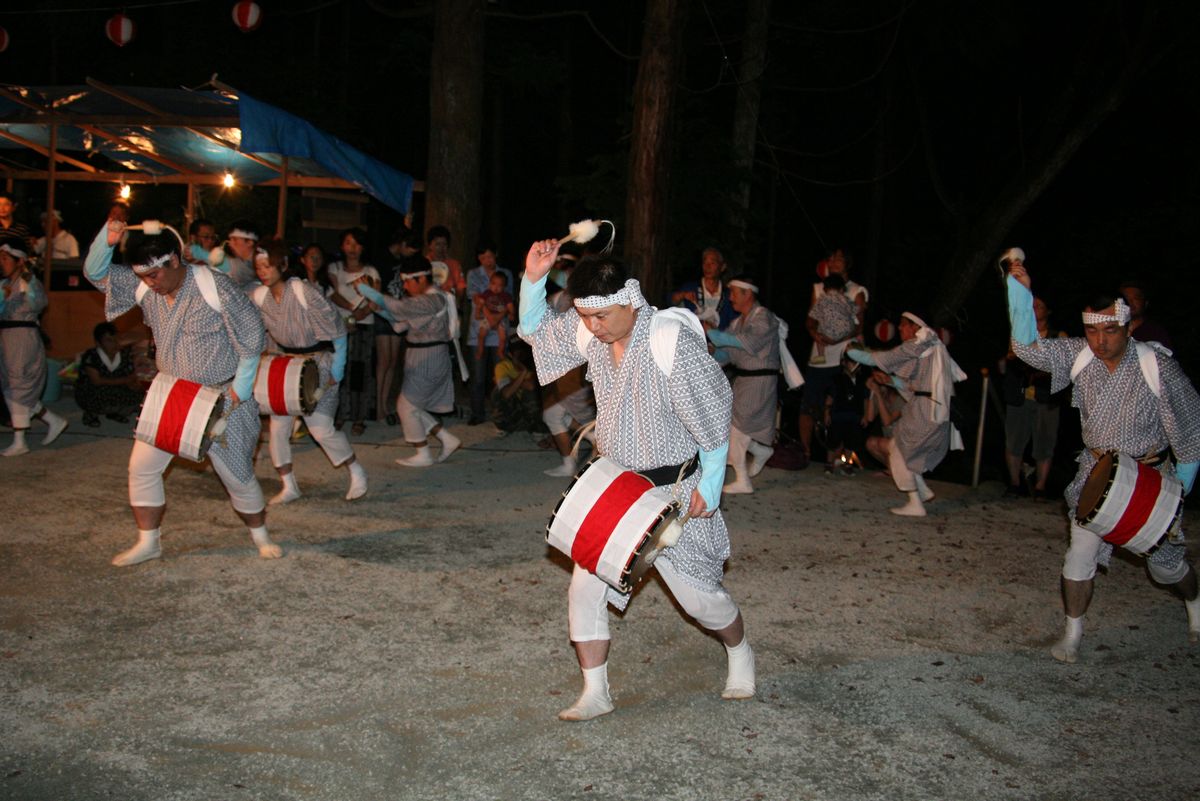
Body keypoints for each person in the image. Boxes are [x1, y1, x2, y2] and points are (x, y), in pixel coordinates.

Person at [519, 237, 755, 721]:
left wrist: (709, 488)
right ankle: (595, 692)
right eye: (584, 317)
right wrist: (534, 277)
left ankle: (740, 649)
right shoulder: (592, 330)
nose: (591, 327)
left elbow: (712, 418)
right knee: (584, 587)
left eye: (600, 317)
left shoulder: (671, 340)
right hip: (619, 487)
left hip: (673, 490)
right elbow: (535, 332)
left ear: (629, 298)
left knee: (700, 601)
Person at [1006, 260, 1200, 661]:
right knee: (1079, 554)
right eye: (1092, 330)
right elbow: (1026, 348)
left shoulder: (1156, 365)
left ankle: (1195, 604)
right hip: (1095, 473)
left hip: (1149, 475)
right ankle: (1073, 635)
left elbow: (1190, 431)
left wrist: (1178, 492)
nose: (1099, 340)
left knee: (1165, 567)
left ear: (1129, 328)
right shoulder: (1079, 355)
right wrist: (1020, 293)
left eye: (1110, 330)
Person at [83, 218, 282, 566]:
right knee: (142, 468)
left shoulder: (215, 286)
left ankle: (260, 534)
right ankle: (149, 542)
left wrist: (241, 389)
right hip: (172, 391)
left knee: (237, 477)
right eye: (143, 277)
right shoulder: (147, 285)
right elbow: (95, 274)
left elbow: (251, 336)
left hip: (222, 394)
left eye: (154, 275)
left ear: (174, 259)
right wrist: (107, 238)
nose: (149, 283)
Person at [250, 241, 368, 505]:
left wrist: (337, 368)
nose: (263, 272)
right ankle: (289, 485)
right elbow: (255, 329)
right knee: (279, 427)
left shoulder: (302, 290)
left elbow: (337, 328)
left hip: (319, 362)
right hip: (286, 365)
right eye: (258, 267)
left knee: (320, 428)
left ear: (282, 265)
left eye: (268, 266)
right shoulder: (259, 296)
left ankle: (355, 470)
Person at [847, 311, 966, 516]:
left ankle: (915, 503)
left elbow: (883, 358)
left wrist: (852, 351)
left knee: (899, 451)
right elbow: (917, 384)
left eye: (903, 325)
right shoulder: (931, 347)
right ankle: (921, 490)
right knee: (901, 447)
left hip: (926, 411)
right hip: (934, 409)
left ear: (914, 327)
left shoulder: (918, 345)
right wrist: (891, 381)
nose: (900, 329)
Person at [357, 256, 462, 467]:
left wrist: (367, 290)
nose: (404, 286)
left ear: (422, 279)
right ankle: (446, 438)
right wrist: (379, 309)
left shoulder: (434, 299)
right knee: (415, 407)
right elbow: (399, 324)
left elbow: (400, 308)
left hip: (429, 359)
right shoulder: (427, 301)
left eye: (407, 281)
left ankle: (422, 452)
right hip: (421, 358)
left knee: (405, 406)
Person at [705, 276, 791, 494]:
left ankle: (743, 480)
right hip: (745, 380)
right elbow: (729, 354)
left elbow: (748, 343)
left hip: (760, 380)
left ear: (748, 294)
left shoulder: (764, 318)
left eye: (734, 292)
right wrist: (712, 352)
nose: (730, 296)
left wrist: (711, 333)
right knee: (738, 425)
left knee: (736, 428)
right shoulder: (737, 323)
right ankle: (761, 450)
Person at [1, 238, 69, 456]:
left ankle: (20, 441)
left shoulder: (28, 282)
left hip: (24, 337)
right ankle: (53, 420)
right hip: (7, 338)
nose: (1, 262)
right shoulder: (3, 284)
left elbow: (39, 304)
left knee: (20, 382)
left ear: (19, 261)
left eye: (5, 258)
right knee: (11, 384)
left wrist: (27, 285)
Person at [798, 248, 867, 463]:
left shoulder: (857, 291)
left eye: (838, 258)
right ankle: (805, 452)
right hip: (819, 356)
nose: (833, 262)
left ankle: (838, 456)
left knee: (840, 405)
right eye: (831, 258)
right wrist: (814, 333)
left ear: (847, 262)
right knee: (809, 404)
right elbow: (810, 318)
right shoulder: (819, 288)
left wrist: (838, 339)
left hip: (843, 356)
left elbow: (859, 325)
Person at [1001, 289, 1065, 499]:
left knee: (1045, 443)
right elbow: (1010, 361)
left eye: (1039, 306)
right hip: (1020, 396)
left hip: (1046, 399)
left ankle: (1040, 486)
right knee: (1014, 441)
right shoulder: (1019, 333)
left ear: (1048, 311)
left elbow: (1064, 366)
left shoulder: (1058, 337)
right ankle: (1014, 483)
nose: (1034, 309)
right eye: (1032, 306)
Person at [325, 228, 380, 435]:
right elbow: (331, 292)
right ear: (342, 246)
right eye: (348, 243)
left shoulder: (371, 271)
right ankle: (339, 414)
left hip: (365, 324)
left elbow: (376, 296)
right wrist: (351, 310)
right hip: (340, 325)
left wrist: (362, 313)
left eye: (357, 244)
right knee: (340, 370)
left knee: (362, 371)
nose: (352, 248)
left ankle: (360, 416)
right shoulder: (334, 268)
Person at [466, 241, 513, 425]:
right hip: (479, 329)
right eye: (483, 257)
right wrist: (490, 318)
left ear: (496, 255)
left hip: (500, 330)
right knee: (477, 377)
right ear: (479, 258)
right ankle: (477, 413)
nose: (488, 260)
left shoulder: (505, 274)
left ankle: (502, 414)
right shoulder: (473, 274)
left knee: (501, 376)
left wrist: (498, 317)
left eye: (490, 256)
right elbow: (477, 298)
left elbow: (507, 300)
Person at [74, 321, 143, 427]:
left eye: (116, 339)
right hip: (94, 390)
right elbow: (97, 381)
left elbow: (131, 376)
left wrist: (136, 386)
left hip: (116, 388)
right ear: (98, 343)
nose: (115, 343)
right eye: (109, 340)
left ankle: (115, 413)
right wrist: (125, 380)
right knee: (97, 395)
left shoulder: (124, 354)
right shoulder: (91, 356)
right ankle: (90, 415)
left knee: (139, 397)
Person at [669, 246, 735, 330]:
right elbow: (671, 301)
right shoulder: (691, 288)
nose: (707, 267)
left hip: (720, 342)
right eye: (705, 262)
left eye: (712, 263)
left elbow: (735, 322)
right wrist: (682, 295)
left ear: (722, 267)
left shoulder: (729, 294)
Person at [807, 273, 858, 365]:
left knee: (818, 332)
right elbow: (855, 310)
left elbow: (813, 315)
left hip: (828, 334)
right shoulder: (845, 298)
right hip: (847, 331)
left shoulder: (821, 299)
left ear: (825, 289)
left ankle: (821, 356)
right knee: (854, 323)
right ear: (842, 289)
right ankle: (862, 344)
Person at [1118, 279, 1173, 351]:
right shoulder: (1110, 328)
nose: (1130, 302)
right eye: (1126, 298)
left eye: (1136, 298)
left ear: (1145, 303)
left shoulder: (1156, 332)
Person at [473, 270, 514, 360]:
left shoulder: (505, 296)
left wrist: (511, 314)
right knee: (481, 334)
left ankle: (500, 351)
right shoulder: (486, 293)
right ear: (489, 283)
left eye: (499, 286)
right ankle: (480, 349)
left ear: (504, 287)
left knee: (503, 337)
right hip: (487, 318)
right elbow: (480, 303)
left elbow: (510, 306)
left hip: (501, 319)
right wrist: (477, 312)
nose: (496, 287)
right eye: (493, 284)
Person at [213, 219, 260, 288]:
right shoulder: (232, 262)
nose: (230, 244)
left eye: (235, 240)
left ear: (250, 242)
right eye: (230, 239)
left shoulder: (265, 261)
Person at [425, 225, 466, 300]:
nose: (441, 248)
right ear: (430, 245)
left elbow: (461, 288)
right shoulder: (423, 263)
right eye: (437, 244)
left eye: (444, 244)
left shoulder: (454, 265)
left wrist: (455, 297)